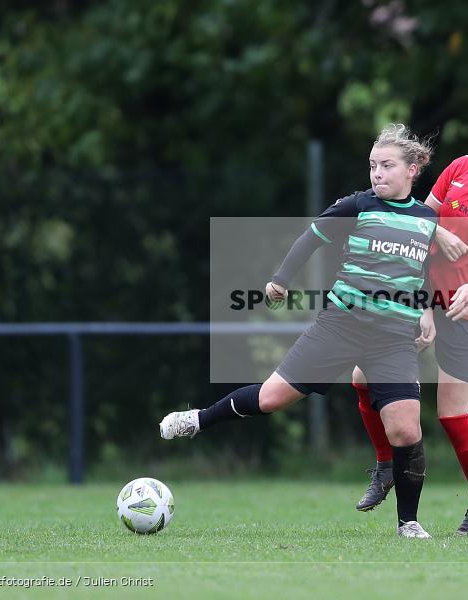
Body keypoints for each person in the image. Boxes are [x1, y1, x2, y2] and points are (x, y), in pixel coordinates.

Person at [160, 124, 437, 538]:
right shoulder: (355, 206)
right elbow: (311, 238)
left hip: (393, 335)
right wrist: (280, 280)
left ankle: (408, 523)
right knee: (271, 399)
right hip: (340, 325)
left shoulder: (427, 219)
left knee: (406, 429)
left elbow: (422, 270)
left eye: (387, 166)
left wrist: (428, 310)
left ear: (414, 168)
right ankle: (199, 419)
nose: (377, 173)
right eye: (372, 166)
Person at [351, 98, 468, 536]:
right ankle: (385, 464)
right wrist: (423, 302)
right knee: (362, 377)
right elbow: (421, 222)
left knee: (452, 413)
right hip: (422, 296)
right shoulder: (459, 169)